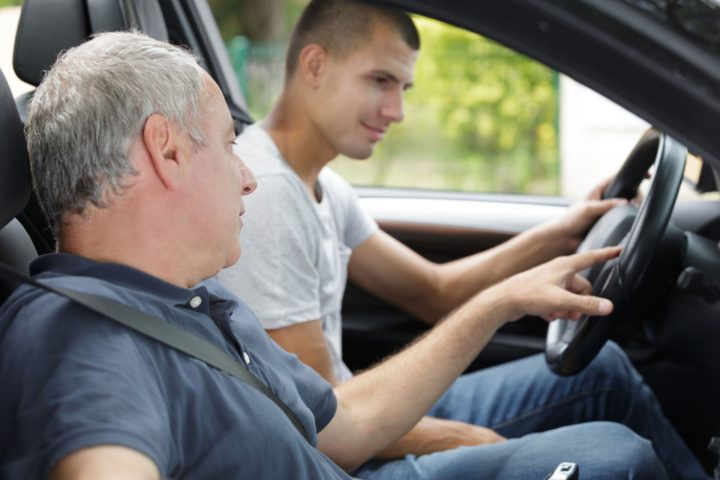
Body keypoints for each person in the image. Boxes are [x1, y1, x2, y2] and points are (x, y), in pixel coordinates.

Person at [0, 31, 672, 479]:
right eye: (226, 145)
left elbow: (344, 426)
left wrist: (500, 302)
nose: (247, 175)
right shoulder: (80, 343)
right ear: (167, 150)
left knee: (615, 448)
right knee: (617, 457)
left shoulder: (196, 299)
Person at [217, 1, 708, 478]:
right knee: (615, 456)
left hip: (362, 412)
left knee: (606, 372)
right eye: (380, 80)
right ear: (315, 64)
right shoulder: (269, 194)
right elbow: (321, 427)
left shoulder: (325, 188)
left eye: (404, 86)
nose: (398, 110)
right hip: (335, 458)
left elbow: (435, 291)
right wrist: (466, 437)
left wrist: (564, 230)